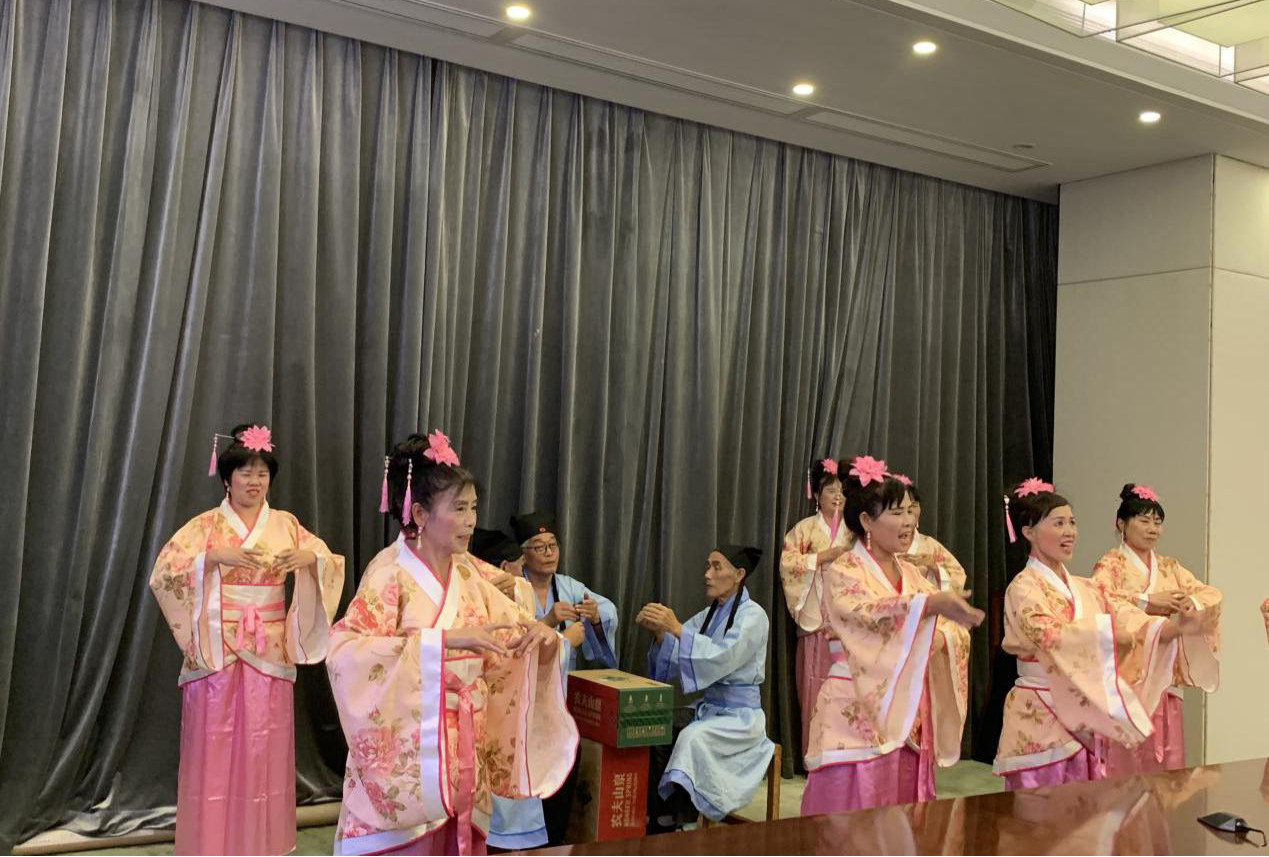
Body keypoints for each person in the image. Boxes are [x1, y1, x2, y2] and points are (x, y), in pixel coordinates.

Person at [327, 430, 576, 856]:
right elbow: (346, 653)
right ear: (420, 513)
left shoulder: (469, 572)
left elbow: (512, 630)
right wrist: (440, 643)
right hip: (413, 751)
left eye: (473, 507)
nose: (471, 520)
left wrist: (541, 636)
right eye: (458, 508)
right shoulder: (389, 574)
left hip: (466, 744)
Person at [149, 424, 344, 855]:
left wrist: (309, 560)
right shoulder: (205, 527)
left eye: (262, 473)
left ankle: (260, 843)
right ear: (227, 478)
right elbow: (165, 572)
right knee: (212, 747)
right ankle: (209, 844)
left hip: (268, 649)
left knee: (263, 747)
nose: (254, 481)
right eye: (245, 473)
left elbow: (328, 561)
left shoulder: (286, 524)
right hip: (218, 646)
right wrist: (210, 559)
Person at [801, 455, 982, 814]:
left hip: (907, 711)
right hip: (853, 705)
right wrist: (928, 608)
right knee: (851, 821)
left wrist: (945, 634)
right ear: (866, 520)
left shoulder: (912, 575)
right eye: (897, 513)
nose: (909, 521)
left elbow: (947, 630)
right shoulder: (844, 571)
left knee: (904, 820)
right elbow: (866, 614)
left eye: (910, 512)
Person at [993, 478, 1201, 789]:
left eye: (1072, 523)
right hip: (1042, 710)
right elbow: (1048, 634)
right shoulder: (1023, 587)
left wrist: (1168, 629)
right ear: (1028, 532)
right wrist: (1111, 636)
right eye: (1058, 523)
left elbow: (1123, 614)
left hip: (1087, 708)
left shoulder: (1085, 587)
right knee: (1043, 811)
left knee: (1091, 809)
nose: (1070, 532)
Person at [639, 544, 775, 829]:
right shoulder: (710, 614)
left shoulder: (754, 616)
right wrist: (661, 632)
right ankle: (660, 814)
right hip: (710, 708)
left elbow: (723, 657)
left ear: (738, 574)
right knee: (657, 726)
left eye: (716, 567)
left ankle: (684, 818)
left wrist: (676, 628)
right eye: (708, 566)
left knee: (692, 738)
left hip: (740, 716)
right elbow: (677, 650)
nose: (707, 574)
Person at [1091, 483, 1219, 775]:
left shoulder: (1170, 567)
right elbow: (1100, 598)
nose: (1152, 529)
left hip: (1164, 670)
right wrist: (1148, 601)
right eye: (1144, 521)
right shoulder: (1110, 564)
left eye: (1157, 522)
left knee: (1166, 759)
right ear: (1121, 524)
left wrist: (1190, 603)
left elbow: (1209, 594)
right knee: (1126, 762)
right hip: (1127, 672)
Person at [779, 457, 850, 754]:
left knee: (847, 687)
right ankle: (815, 754)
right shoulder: (805, 530)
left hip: (847, 619)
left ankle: (843, 754)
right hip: (816, 616)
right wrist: (821, 558)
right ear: (818, 495)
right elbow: (788, 563)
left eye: (842, 491)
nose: (837, 496)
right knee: (814, 684)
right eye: (831, 490)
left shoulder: (857, 531)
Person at [891, 474, 967, 593]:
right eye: (900, 509)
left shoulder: (930, 545)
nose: (908, 512)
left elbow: (958, 577)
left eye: (913, 506)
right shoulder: (880, 544)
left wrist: (934, 567)